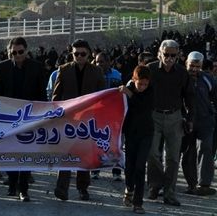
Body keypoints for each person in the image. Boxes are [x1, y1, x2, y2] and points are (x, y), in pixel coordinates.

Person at [0, 37, 46, 202]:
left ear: (26, 51)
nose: (17, 55)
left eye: (20, 52)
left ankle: (24, 189)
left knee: (26, 154)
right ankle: (12, 185)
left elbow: (42, 94)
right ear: (9, 52)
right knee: (10, 152)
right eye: (13, 52)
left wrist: (40, 115)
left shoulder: (37, 67)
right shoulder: (2, 67)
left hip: (30, 117)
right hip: (8, 118)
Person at [52, 39, 105, 201]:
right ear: (72, 54)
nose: (79, 56)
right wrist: (55, 114)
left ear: (89, 54)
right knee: (65, 154)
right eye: (76, 54)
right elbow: (56, 95)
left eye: (83, 54)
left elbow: (102, 96)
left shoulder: (96, 72)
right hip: (68, 119)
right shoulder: (64, 70)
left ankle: (83, 188)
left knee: (84, 155)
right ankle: (62, 188)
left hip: (88, 121)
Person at [147, 39, 195, 206]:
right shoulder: (150, 69)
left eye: (173, 55)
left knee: (173, 158)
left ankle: (169, 193)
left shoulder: (182, 73)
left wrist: (190, 118)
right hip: (154, 115)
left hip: (175, 117)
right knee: (152, 154)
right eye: (166, 54)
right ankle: (155, 185)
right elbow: (138, 85)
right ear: (160, 53)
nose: (169, 58)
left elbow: (189, 96)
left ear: (178, 55)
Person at [181, 51, 217, 196]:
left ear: (201, 66)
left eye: (197, 66)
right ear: (186, 64)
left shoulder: (208, 79)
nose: (194, 69)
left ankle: (204, 185)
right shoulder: (180, 78)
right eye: (191, 66)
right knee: (188, 153)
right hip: (185, 121)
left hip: (205, 121)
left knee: (205, 149)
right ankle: (191, 184)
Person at [120, 65, 153, 214]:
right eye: (140, 84)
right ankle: (129, 188)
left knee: (140, 167)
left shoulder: (151, 91)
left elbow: (143, 106)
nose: (143, 87)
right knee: (129, 166)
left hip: (146, 134)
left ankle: (138, 202)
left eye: (146, 84)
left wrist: (130, 94)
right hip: (131, 133)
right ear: (134, 80)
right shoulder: (128, 88)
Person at [94, 52, 123, 181]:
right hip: (98, 114)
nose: (98, 64)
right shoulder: (92, 74)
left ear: (108, 62)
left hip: (113, 114)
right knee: (96, 142)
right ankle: (95, 169)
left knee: (115, 143)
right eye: (96, 62)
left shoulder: (117, 75)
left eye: (101, 61)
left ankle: (116, 170)